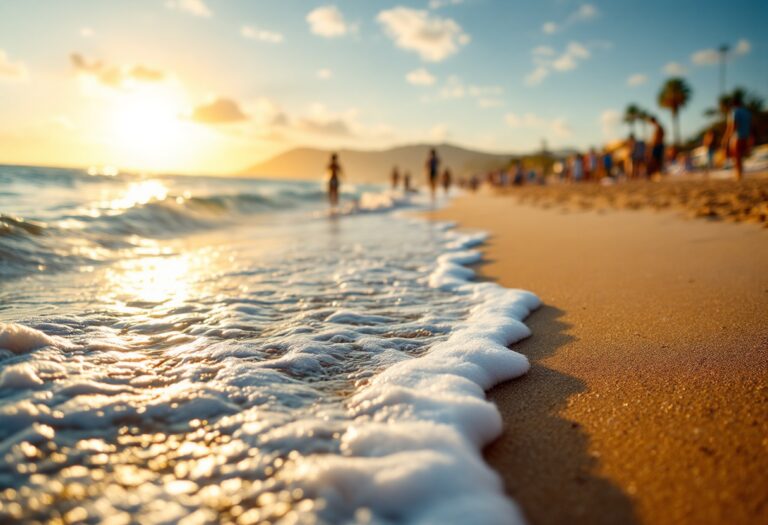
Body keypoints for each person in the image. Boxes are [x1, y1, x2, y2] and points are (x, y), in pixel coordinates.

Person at [722, 92, 752, 181]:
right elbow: (750, 125)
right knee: (741, 156)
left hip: (737, 136)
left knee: (736, 156)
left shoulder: (734, 112)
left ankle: (738, 174)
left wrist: (727, 137)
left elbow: (733, 125)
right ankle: (740, 173)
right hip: (746, 136)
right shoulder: (747, 112)